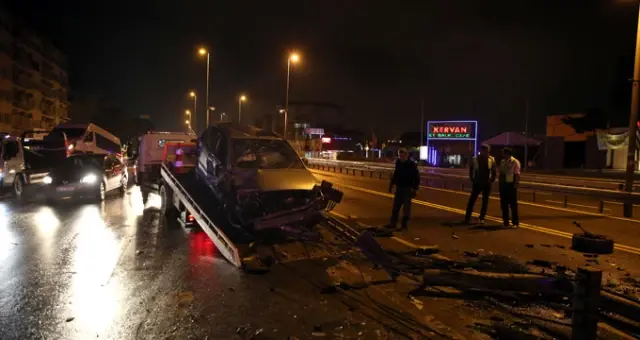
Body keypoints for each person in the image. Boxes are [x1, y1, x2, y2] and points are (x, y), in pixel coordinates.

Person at [387, 148, 420, 230]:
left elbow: (417, 177)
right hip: (399, 187)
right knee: (396, 206)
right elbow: (395, 175)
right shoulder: (398, 163)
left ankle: (404, 226)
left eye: (403, 155)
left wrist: (415, 188)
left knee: (406, 208)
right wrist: (391, 185)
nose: (401, 157)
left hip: (407, 188)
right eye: (400, 156)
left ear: (406, 155)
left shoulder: (411, 164)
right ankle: (393, 223)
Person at [463, 144, 496, 224]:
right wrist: (473, 180)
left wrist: (491, 180)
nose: (487, 152)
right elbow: (471, 171)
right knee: (472, 200)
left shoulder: (491, 159)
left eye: (488, 151)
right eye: (485, 151)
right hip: (477, 182)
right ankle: (467, 217)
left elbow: (494, 171)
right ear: (482, 151)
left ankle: (482, 217)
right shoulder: (475, 159)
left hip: (487, 183)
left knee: (485, 202)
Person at [499, 147, 520, 228]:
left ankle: (515, 222)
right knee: (504, 205)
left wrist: (515, 184)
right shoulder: (503, 161)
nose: (502, 154)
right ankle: (505, 222)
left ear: (507, 153)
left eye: (503, 153)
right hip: (504, 185)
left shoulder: (515, 162)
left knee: (513, 205)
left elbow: (517, 174)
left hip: (511, 185)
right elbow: (501, 173)